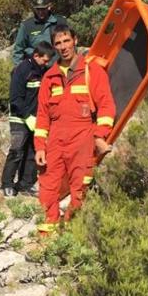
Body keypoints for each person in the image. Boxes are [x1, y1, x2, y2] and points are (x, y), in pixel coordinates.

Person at [34, 25, 115, 234]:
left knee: (80, 187)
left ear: (75, 40)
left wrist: (99, 136)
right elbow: (42, 116)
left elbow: (106, 107)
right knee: (48, 187)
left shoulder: (91, 71)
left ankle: (72, 233)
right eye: (58, 43)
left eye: (66, 41)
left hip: (82, 139)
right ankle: (47, 234)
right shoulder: (50, 77)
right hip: (55, 141)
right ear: (54, 47)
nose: (63, 47)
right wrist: (40, 147)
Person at [1, 41, 55, 198]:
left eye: (48, 61)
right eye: (44, 60)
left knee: (33, 151)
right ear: (36, 55)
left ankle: (25, 184)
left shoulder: (43, 71)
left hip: (37, 119)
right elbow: (16, 99)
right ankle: (7, 184)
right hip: (19, 118)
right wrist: (27, 117)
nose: (46, 64)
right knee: (17, 151)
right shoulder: (22, 70)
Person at [12, 0, 67, 66]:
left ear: (49, 7)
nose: (40, 12)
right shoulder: (27, 25)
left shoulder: (60, 21)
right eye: (38, 9)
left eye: (43, 9)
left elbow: (70, 44)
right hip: (35, 70)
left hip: (58, 66)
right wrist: (19, 71)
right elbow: (18, 51)